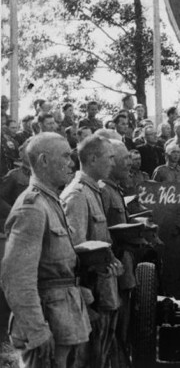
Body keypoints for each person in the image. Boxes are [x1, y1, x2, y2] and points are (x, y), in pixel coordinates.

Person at [1, 133, 91, 368]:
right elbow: (16, 278)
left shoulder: (51, 201)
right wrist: (37, 331)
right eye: (65, 156)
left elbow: (56, 265)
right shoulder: (32, 208)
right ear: (43, 160)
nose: (72, 163)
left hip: (62, 321)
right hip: (46, 326)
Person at [61, 135, 122, 368]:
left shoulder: (93, 191)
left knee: (101, 356)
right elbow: (74, 252)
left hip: (102, 291)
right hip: (91, 297)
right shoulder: (77, 195)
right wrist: (85, 297)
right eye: (110, 157)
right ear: (93, 158)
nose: (113, 163)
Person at [98, 140, 136, 364]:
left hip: (123, 268)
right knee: (113, 332)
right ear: (111, 162)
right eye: (125, 160)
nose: (129, 164)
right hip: (113, 269)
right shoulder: (103, 191)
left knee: (123, 328)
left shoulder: (114, 189)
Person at [0, 141, 31, 225]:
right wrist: (15, 214)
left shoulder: (45, 175)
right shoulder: (14, 175)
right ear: (21, 155)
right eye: (28, 152)